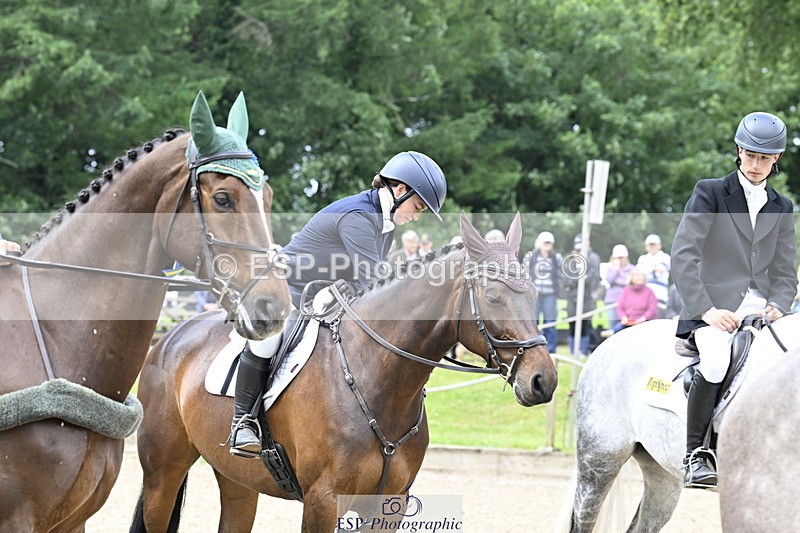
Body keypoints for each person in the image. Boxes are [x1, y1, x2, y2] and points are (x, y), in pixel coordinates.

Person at [229, 151, 447, 457]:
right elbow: (372, 282)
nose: (416, 214)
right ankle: (243, 422)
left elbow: (369, 281)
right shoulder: (359, 216)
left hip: (324, 295)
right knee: (269, 339)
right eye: (418, 206)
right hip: (288, 287)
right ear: (400, 191)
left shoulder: (384, 222)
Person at [673, 111, 797, 489]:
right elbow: (683, 254)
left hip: (763, 311)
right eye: (751, 156)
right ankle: (696, 453)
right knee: (715, 359)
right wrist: (707, 311)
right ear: (739, 151)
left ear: (776, 159)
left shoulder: (783, 206)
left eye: (765, 158)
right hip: (715, 307)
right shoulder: (710, 192)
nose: (756, 165)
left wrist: (778, 305)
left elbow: (785, 272)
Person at [562, 234, 601, 355]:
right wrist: (579, 279)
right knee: (572, 325)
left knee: (585, 325)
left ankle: (583, 351)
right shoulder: (571, 259)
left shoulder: (593, 258)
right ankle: (573, 352)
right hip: (572, 297)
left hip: (587, 297)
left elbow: (592, 278)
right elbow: (566, 280)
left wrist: (579, 279)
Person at [524, 231, 561, 353]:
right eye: (545, 242)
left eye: (549, 243)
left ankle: (551, 351)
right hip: (535, 296)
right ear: (540, 243)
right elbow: (524, 274)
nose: (547, 245)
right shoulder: (530, 257)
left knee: (550, 323)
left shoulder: (556, 258)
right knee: (533, 323)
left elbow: (561, 274)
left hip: (550, 295)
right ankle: (533, 349)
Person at [636, 234, 671, 317]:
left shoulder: (665, 257)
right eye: (650, 245)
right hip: (644, 295)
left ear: (659, 245)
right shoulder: (642, 258)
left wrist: (647, 268)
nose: (652, 247)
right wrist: (653, 267)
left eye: (654, 245)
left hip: (660, 295)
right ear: (646, 246)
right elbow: (638, 273)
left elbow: (661, 269)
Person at [603, 244, 634, 331]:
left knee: (626, 329)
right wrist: (616, 269)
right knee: (612, 328)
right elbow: (609, 280)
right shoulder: (610, 268)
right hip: (612, 303)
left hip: (628, 304)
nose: (620, 259)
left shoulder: (632, 269)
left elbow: (630, 283)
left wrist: (618, 281)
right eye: (618, 257)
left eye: (622, 257)